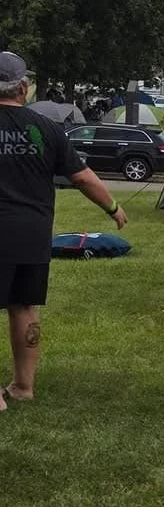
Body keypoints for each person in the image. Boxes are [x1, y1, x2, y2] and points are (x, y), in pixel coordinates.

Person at [0, 50, 127, 410]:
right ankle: (23, 386)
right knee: (23, 305)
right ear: (23, 87)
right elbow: (83, 177)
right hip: (33, 233)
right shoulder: (47, 129)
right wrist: (113, 208)